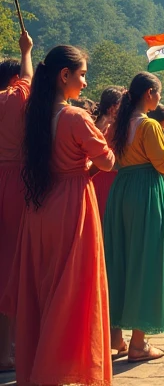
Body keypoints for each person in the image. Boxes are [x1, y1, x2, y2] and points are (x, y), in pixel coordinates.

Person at [4, 45, 114, 386]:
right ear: (63, 76)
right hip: (72, 206)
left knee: (44, 288)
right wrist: (102, 132)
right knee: (71, 290)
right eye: (81, 74)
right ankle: (58, 369)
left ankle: (42, 365)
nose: (84, 81)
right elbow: (108, 161)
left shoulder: (32, 116)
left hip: (39, 209)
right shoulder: (75, 117)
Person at [106, 72, 164, 362]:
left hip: (122, 190)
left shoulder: (119, 124)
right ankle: (139, 343)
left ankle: (115, 337)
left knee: (121, 259)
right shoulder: (149, 125)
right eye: (158, 93)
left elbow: (115, 160)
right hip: (146, 191)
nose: (159, 99)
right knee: (147, 260)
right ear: (150, 94)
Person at [0, 31, 34, 372]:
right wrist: (27, 51)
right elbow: (27, 81)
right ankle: (7, 350)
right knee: (11, 267)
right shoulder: (12, 99)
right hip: (12, 182)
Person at [93, 85, 124, 220]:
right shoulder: (107, 127)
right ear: (113, 107)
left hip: (103, 178)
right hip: (104, 179)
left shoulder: (95, 124)